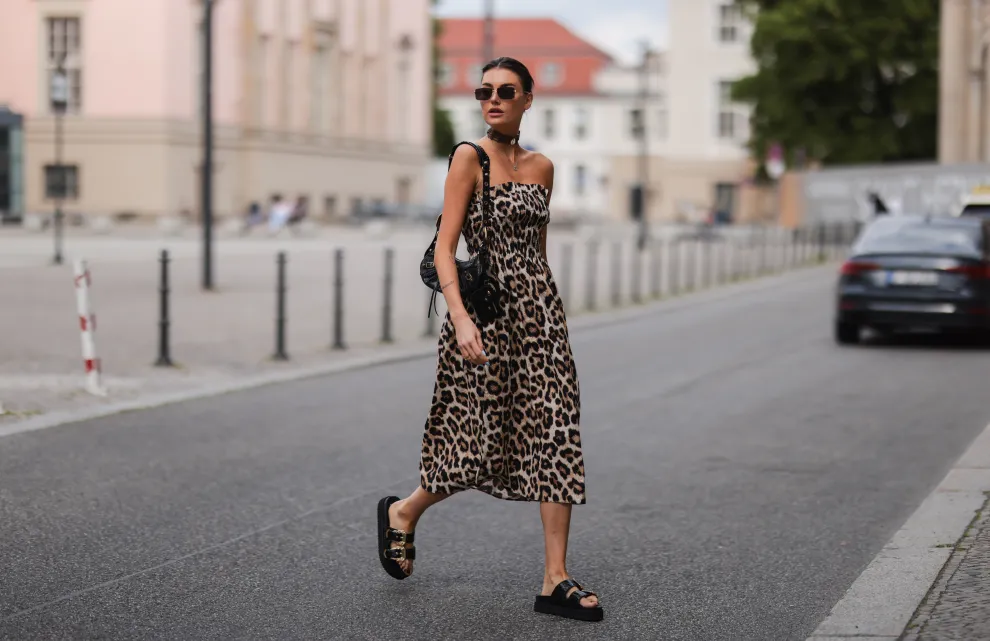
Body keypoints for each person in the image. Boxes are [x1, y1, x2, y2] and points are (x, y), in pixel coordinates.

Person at [376, 57, 602, 622]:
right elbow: (445, 246)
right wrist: (459, 317)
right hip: (484, 318)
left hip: (541, 319)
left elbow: (539, 251)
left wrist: (552, 318)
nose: (493, 99)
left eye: (506, 91)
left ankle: (556, 578)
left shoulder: (543, 167)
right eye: (484, 91)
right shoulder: (468, 158)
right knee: (476, 443)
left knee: (556, 432)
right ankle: (404, 511)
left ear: (528, 99)